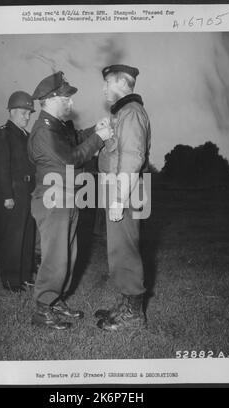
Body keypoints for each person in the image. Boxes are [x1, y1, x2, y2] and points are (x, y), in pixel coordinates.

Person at [28, 71, 113, 330]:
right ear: (53, 98)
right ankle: (43, 310)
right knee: (56, 257)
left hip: (66, 198)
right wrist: (100, 139)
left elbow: (74, 140)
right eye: (67, 98)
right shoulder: (43, 131)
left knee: (69, 255)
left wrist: (93, 130)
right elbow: (71, 158)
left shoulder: (57, 126)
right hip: (53, 200)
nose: (71, 103)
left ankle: (56, 300)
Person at [95, 64, 151, 331]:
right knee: (120, 250)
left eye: (107, 83)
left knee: (125, 251)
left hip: (125, 191)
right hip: (121, 188)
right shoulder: (124, 114)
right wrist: (107, 139)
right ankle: (126, 304)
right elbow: (118, 153)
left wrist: (118, 198)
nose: (104, 88)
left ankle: (134, 315)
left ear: (121, 83)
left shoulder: (130, 113)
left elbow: (132, 157)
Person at [0, 91, 36, 292]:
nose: (28, 117)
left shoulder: (26, 136)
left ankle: (25, 276)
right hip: (12, 194)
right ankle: (10, 281)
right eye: (24, 113)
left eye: (29, 113)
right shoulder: (3, 134)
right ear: (13, 112)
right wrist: (8, 195)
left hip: (27, 192)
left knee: (27, 236)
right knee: (12, 238)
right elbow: (0, 168)